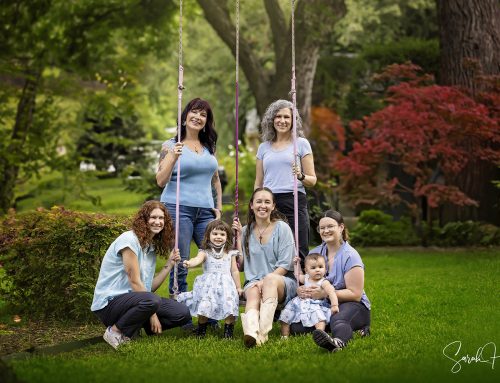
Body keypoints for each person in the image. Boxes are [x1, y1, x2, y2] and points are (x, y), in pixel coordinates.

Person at [91, 201, 191, 349]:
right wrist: (153, 315)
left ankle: (134, 328)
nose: (158, 222)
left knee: (182, 313)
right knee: (152, 301)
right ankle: (115, 331)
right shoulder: (129, 240)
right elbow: (135, 282)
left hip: (136, 301)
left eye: (161, 218)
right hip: (109, 304)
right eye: (153, 217)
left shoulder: (149, 248)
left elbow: (149, 288)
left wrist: (169, 264)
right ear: (144, 219)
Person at [156, 98, 223, 296]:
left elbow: (216, 179)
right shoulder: (170, 145)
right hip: (178, 208)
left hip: (205, 211)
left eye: (203, 115)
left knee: (214, 257)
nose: (198, 117)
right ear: (185, 117)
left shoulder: (209, 147)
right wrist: (173, 157)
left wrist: (218, 206)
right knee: (181, 260)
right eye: (194, 112)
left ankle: (210, 313)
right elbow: (160, 180)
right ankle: (179, 312)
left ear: (206, 122)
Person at [292, 210, 371, 352]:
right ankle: (347, 328)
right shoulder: (315, 253)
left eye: (330, 226)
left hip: (353, 305)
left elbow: (355, 294)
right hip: (324, 305)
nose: (326, 231)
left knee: (338, 320)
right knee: (296, 327)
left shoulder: (350, 256)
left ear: (341, 228)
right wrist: (302, 290)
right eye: (322, 228)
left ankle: (338, 342)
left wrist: (324, 294)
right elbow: (308, 279)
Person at [233, 187, 297, 348]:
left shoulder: (282, 228)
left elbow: (285, 264)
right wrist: (239, 239)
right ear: (251, 205)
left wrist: (265, 281)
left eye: (267, 202)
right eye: (259, 201)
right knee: (253, 293)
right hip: (253, 281)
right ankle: (251, 333)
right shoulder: (245, 231)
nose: (263, 205)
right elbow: (241, 266)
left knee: (269, 280)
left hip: (281, 282)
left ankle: (262, 334)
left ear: (273, 206)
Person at [254, 99, 317, 264]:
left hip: (293, 199)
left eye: (286, 117)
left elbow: (312, 180)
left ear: (293, 121)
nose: (282, 121)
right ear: (271, 120)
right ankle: (273, 285)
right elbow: (258, 182)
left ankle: (301, 286)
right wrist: (255, 202)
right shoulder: (263, 147)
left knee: (299, 246)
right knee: (271, 246)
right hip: (269, 202)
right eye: (278, 116)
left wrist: (301, 176)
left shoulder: (301, 144)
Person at [177, 220, 243, 338]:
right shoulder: (205, 252)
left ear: (227, 237)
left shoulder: (230, 253)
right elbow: (197, 259)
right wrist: (190, 263)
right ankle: (201, 331)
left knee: (230, 306)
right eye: (215, 234)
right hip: (208, 287)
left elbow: (234, 271)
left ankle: (228, 333)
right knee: (205, 307)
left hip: (226, 286)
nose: (218, 237)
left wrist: (238, 287)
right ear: (208, 236)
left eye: (222, 234)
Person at [279, 253, 339, 338]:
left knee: (319, 317)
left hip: (315, 304)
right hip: (299, 303)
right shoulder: (306, 278)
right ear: (306, 271)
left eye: (321, 267)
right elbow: (298, 275)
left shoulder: (323, 282)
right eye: (313, 268)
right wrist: (297, 264)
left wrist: (334, 305)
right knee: (287, 313)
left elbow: (331, 292)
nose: (318, 270)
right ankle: (284, 336)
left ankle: (320, 333)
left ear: (325, 269)